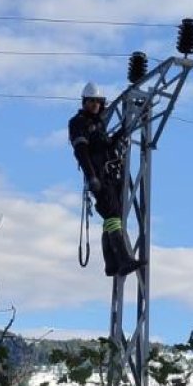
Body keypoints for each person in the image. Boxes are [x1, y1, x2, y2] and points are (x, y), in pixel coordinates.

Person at [69, 82, 143, 277]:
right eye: (91, 101)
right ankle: (123, 259)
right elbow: (81, 151)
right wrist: (92, 176)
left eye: (98, 102)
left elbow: (105, 145)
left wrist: (120, 134)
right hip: (98, 175)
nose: (95, 105)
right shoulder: (78, 123)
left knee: (114, 214)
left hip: (110, 174)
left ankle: (111, 263)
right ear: (85, 102)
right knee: (112, 215)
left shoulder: (99, 123)